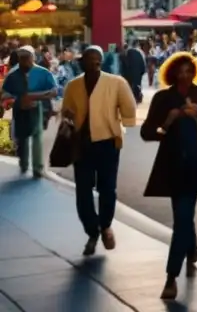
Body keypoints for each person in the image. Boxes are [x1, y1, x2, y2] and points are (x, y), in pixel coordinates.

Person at [140, 52, 197, 301]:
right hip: (171, 163)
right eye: (180, 72)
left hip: (195, 164)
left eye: (188, 71)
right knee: (183, 216)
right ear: (172, 73)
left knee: (183, 218)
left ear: (194, 72)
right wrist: (170, 119)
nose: (184, 76)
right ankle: (191, 250)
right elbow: (147, 132)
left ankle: (171, 276)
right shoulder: (163, 98)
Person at [61, 45, 138, 255]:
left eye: (97, 59)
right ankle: (91, 230)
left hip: (107, 143)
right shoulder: (73, 86)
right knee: (83, 191)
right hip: (82, 145)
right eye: (89, 59)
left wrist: (122, 122)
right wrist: (69, 118)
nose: (94, 63)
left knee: (107, 188)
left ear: (102, 61)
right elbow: (66, 110)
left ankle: (105, 226)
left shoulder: (116, 82)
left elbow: (129, 106)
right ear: (82, 62)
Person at [0, 46, 57, 178]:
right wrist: (16, 100)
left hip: (37, 109)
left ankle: (37, 168)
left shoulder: (43, 73)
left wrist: (35, 96)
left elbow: (54, 91)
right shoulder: (13, 75)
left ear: (33, 58)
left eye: (27, 58)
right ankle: (24, 163)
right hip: (20, 110)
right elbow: (4, 94)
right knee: (22, 137)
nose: (25, 62)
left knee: (37, 137)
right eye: (22, 59)